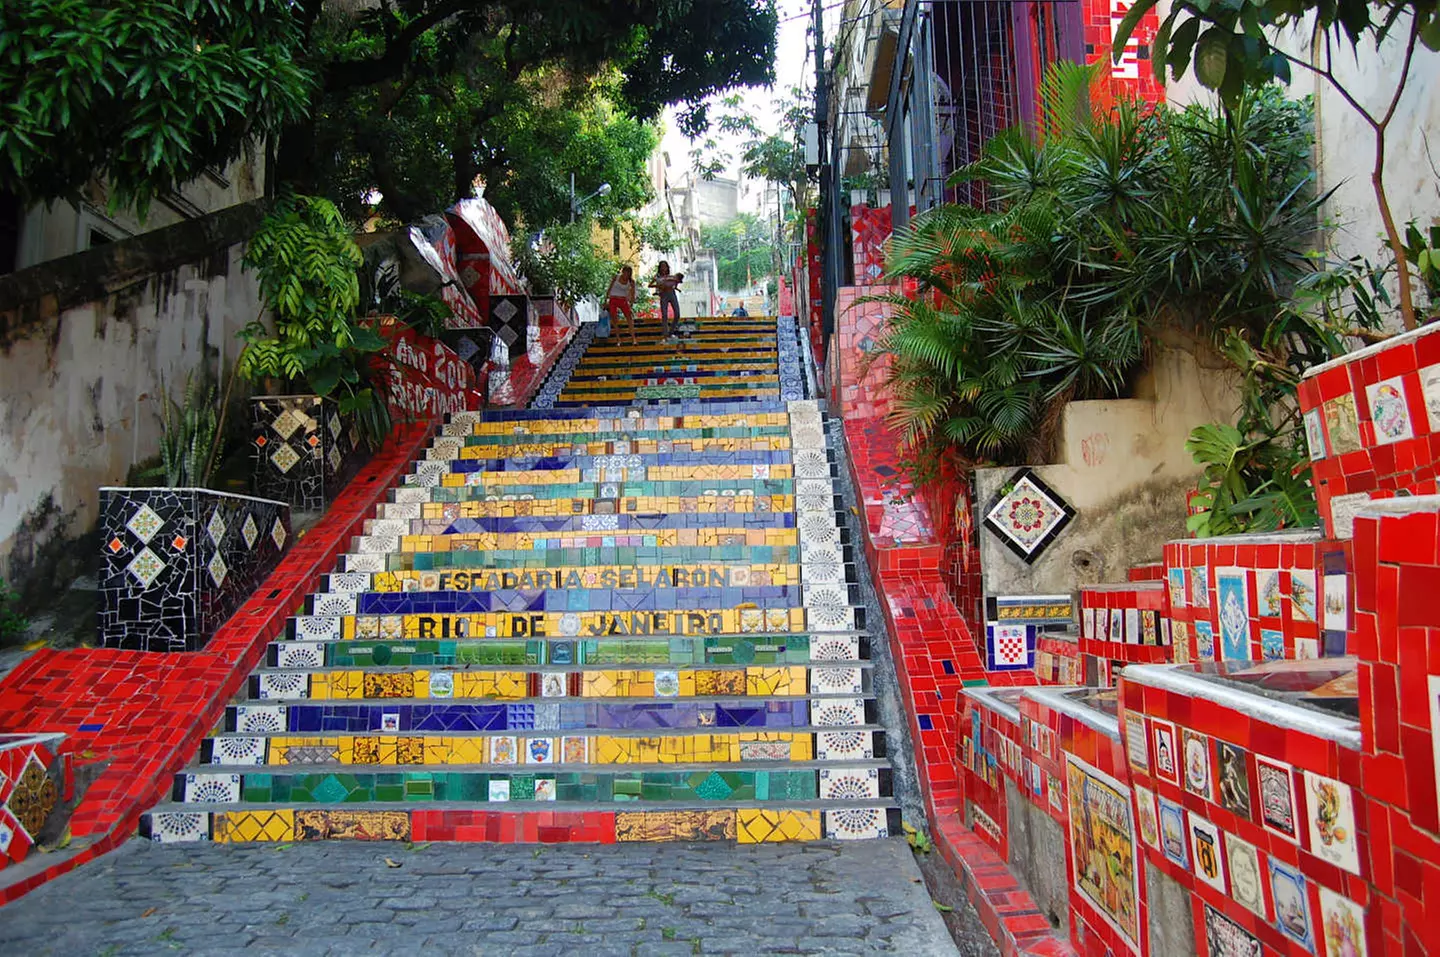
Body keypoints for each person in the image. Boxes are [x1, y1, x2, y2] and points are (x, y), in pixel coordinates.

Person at [606, 265, 638, 345]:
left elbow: (632, 293)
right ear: (623, 272)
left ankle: (633, 338)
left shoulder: (631, 281)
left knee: (629, 318)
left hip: (623, 300)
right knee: (614, 319)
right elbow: (609, 288)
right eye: (625, 272)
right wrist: (606, 299)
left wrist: (631, 302)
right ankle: (618, 339)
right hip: (613, 299)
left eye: (628, 273)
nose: (626, 275)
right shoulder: (616, 277)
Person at [651, 262, 682, 339]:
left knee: (677, 314)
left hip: (671, 293)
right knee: (664, 315)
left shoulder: (671, 277)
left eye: (665, 267)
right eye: (662, 267)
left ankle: (670, 332)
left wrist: (676, 286)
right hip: (663, 294)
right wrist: (658, 285)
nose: (663, 268)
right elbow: (650, 285)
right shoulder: (657, 277)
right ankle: (665, 334)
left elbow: (676, 282)